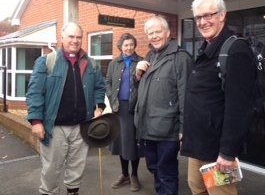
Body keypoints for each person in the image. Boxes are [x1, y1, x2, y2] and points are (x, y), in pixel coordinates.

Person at [180, 0, 256, 195]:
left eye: (208, 15)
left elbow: (239, 108)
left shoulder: (235, 49)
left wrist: (228, 152)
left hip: (217, 150)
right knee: (196, 187)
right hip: (198, 143)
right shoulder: (208, 47)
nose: (203, 22)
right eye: (198, 17)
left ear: (222, 15)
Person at [26, 22, 106, 195]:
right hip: (55, 127)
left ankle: (73, 192)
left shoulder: (91, 63)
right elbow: (34, 92)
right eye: (71, 36)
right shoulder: (46, 62)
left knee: (77, 166)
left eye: (78, 37)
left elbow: (99, 87)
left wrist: (99, 106)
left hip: (82, 126)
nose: (75, 41)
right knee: (51, 169)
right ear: (62, 37)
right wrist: (36, 120)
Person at [134, 15, 194, 195]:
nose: (154, 36)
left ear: (168, 33)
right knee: (154, 168)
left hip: (168, 129)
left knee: (166, 172)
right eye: (150, 33)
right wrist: (137, 76)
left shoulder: (181, 58)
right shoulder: (150, 55)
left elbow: (187, 97)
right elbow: (144, 89)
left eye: (157, 31)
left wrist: (184, 127)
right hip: (147, 127)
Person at [105, 33, 144, 192]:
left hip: (134, 109)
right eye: (125, 45)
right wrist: (111, 96)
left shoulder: (141, 62)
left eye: (131, 45)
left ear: (134, 46)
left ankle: (134, 175)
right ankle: (124, 174)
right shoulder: (114, 63)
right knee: (121, 143)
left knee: (133, 144)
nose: (128, 48)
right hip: (118, 109)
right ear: (120, 46)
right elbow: (107, 82)